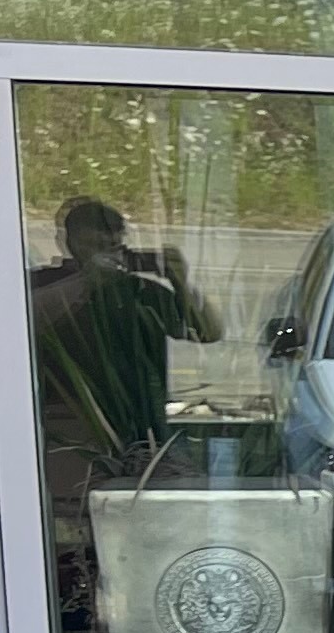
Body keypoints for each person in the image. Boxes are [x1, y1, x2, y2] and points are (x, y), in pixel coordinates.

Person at [28, 196, 220, 463]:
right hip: (67, 421)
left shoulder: (137, 291)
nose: (106, 253)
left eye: (113, 245)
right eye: (94, 245)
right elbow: (23, 322)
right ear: (69, 243)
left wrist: (181, 282)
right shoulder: (47, 283)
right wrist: (86, 282)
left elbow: (208, 333)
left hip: (139, 423)